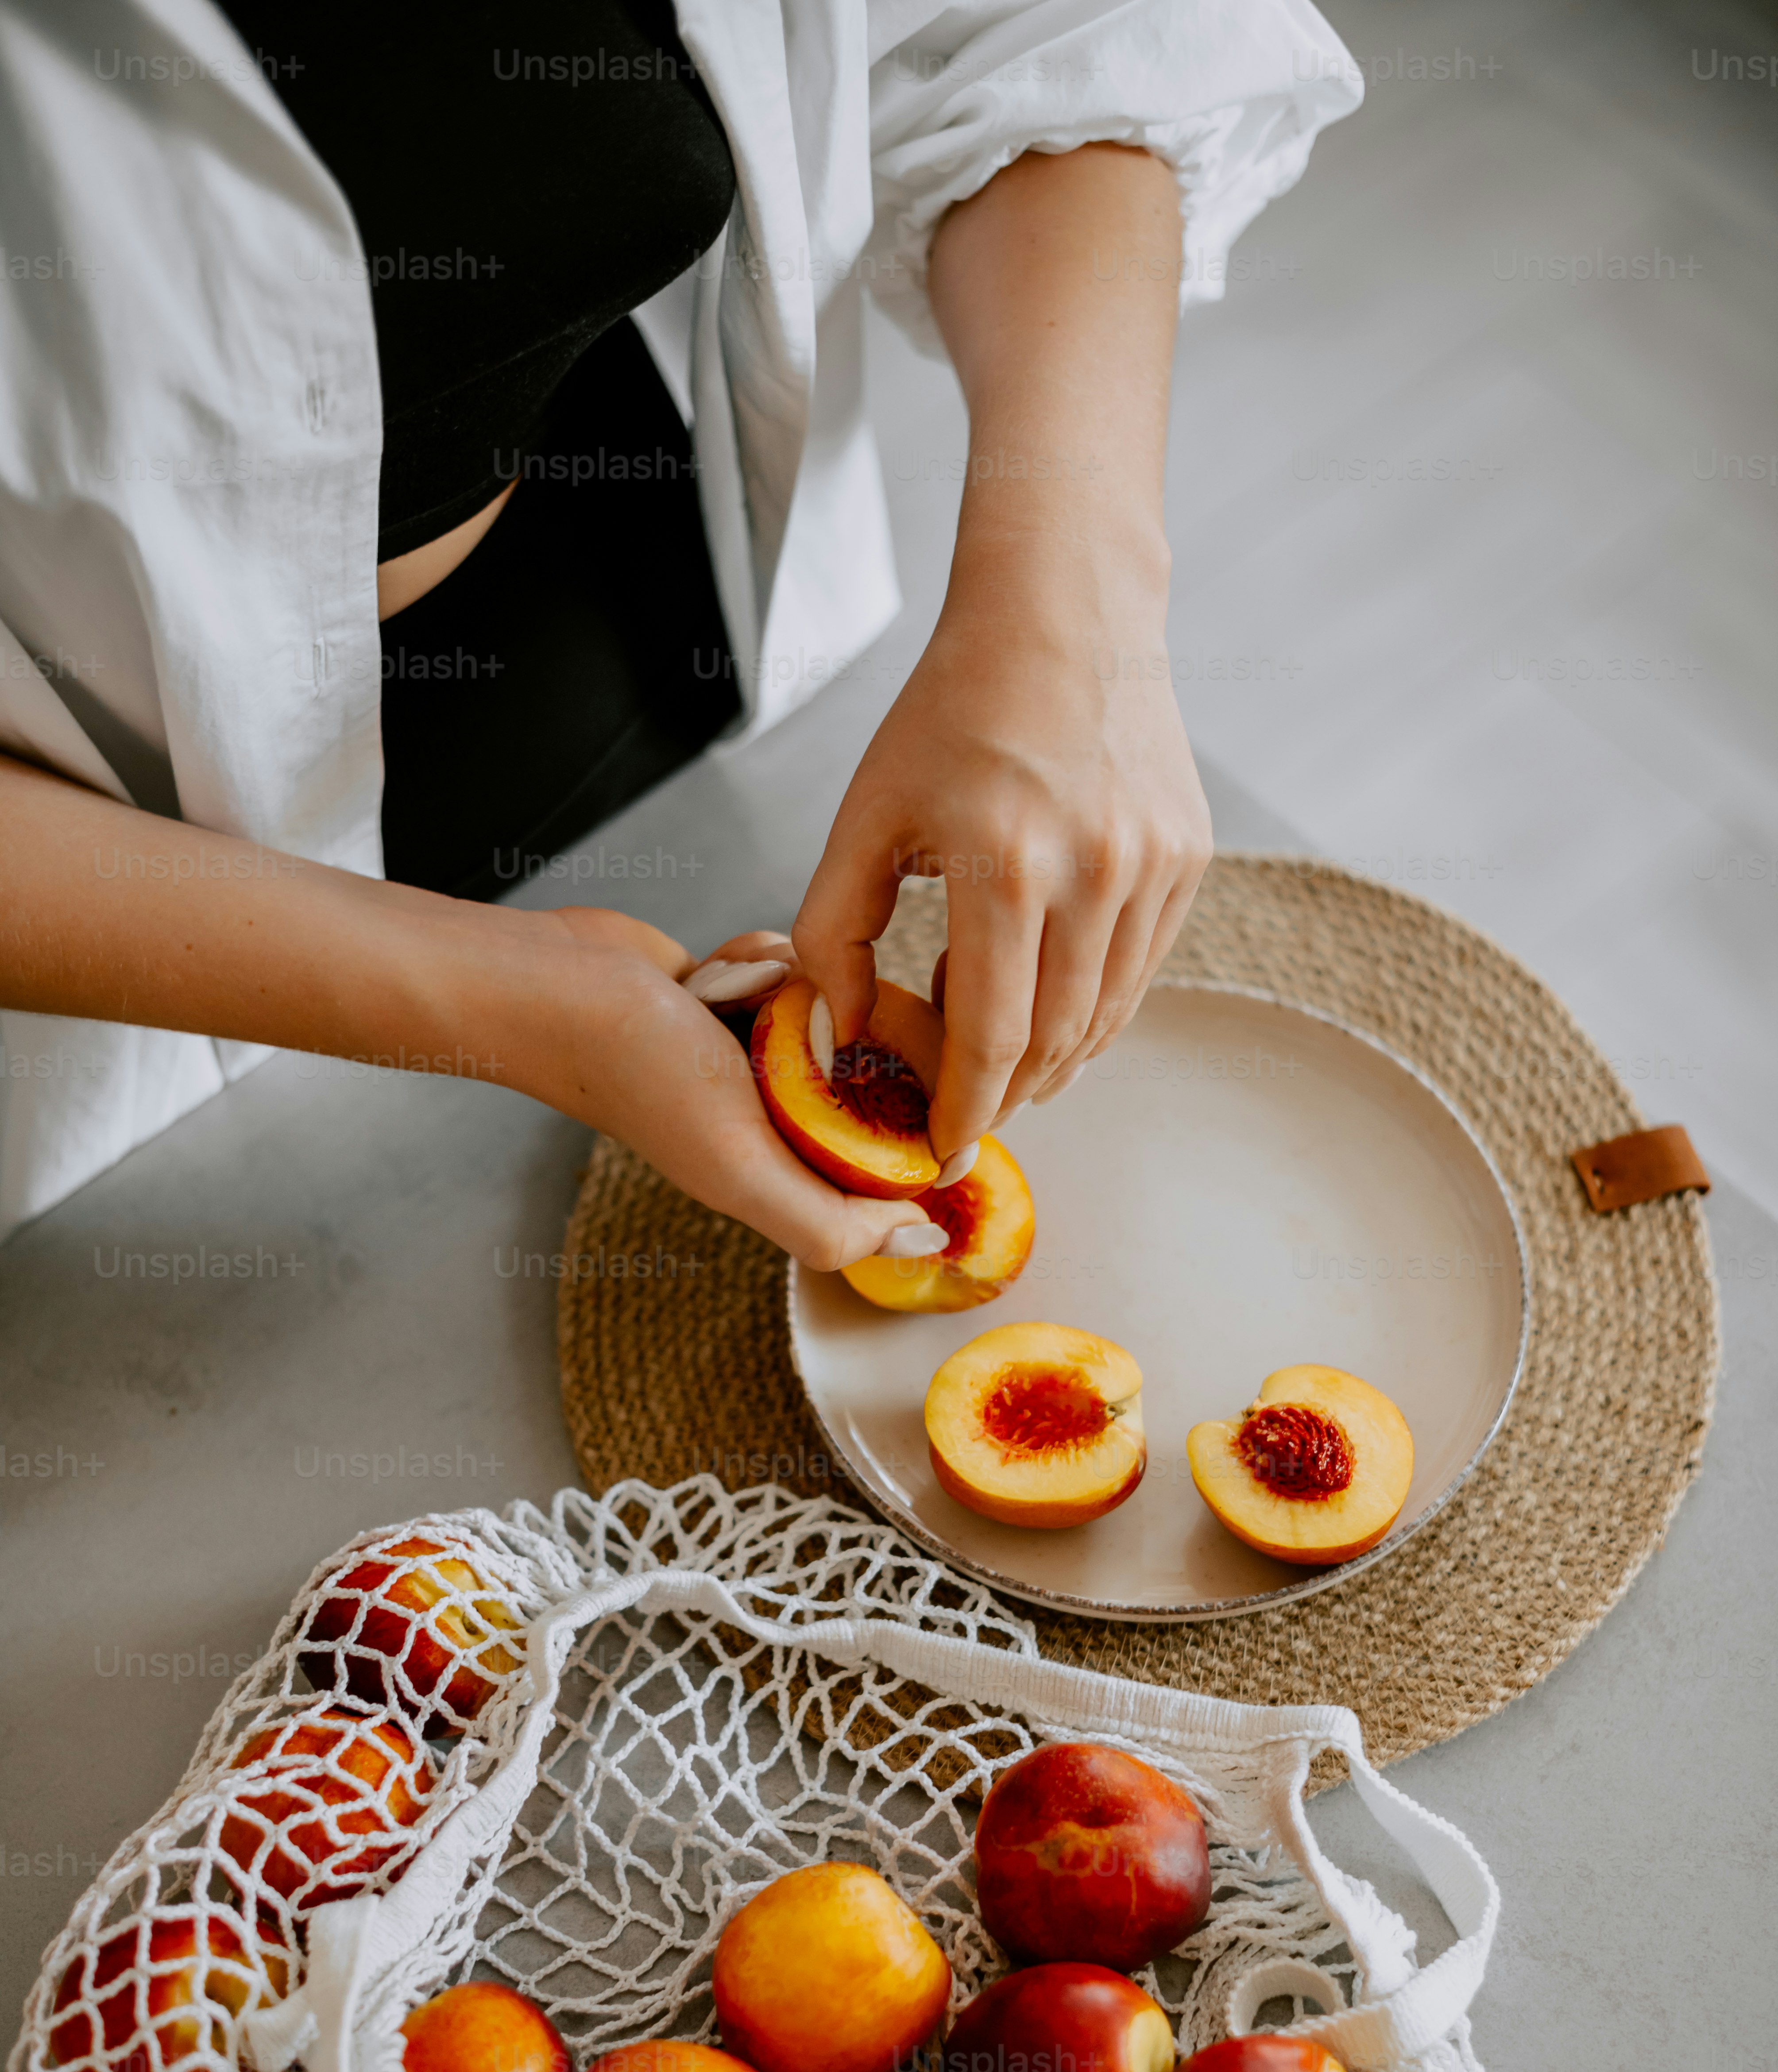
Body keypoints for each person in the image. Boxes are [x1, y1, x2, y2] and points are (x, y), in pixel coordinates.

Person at [0, 1, 1361, 1251]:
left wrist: (1075, 606)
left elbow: (1035, 27)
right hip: (112, 887)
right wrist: (515, 1000)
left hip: (647, 587)